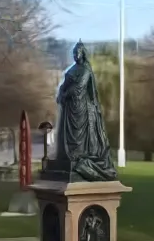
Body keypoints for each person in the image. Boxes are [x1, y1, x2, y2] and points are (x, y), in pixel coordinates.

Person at [50, 41, 118, 182]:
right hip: (69, 108)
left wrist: (66, 93)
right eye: (73, 53)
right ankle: (67, 156)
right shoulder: (72, 69)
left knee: (77, 135)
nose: (75, 55)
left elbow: (79, 87)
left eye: (77, 53)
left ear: (82, 53)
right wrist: (61, 93)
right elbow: (65, 85)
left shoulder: (86, 69)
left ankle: (77, 156)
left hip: (80, 108)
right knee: (66, 134)